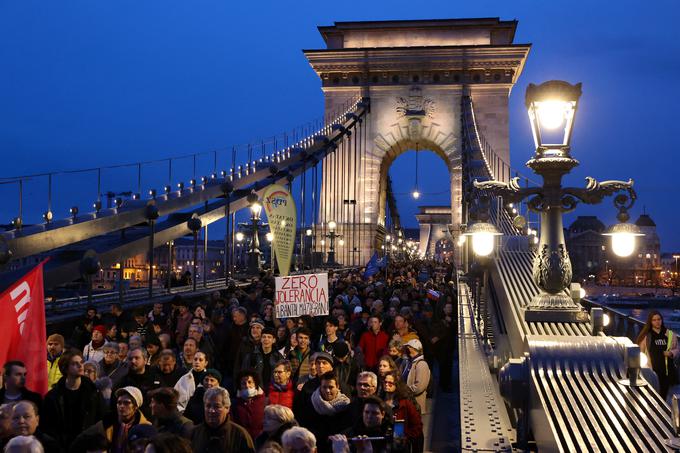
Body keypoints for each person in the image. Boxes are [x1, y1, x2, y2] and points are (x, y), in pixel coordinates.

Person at [41, 350, 106, 449]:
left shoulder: (93, 393)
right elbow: (48, 426)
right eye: (75, 363)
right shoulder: (53, 396)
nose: (80, 366)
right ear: (65, 368)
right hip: (62, 447)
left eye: (81, 362)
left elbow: (100, 420)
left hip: (87, 446)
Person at [72, 386, 151, 453]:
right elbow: (81, 439)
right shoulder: (108, 422)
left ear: (136, 407)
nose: (121, 406)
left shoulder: (145, 427)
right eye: (119, 403)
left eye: (126, 403)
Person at [190, 386, 255, 453]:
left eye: (217, 406)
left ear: (227, 408)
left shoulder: (240, 435)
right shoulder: (194, 434)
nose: (211, 411)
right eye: (208, 406)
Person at [305, 372, 352, 453]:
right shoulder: (312, 402)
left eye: (331, 387)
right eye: (324, 387)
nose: (327, 390)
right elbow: (307, 426)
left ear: (337, 387)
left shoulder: (346, 405)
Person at [637, 310, 680, 398]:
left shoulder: (670, 334)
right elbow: (640, 351)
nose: (657, 322)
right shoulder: (647, 336)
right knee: (652, 394)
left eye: (659, 319)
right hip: (652, 370)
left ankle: (662, 410)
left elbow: (677, 349)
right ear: (650, 321)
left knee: (663, 395)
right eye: (654, 320)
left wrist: (671, 353)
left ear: (662, 320)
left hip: (667, 371)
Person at [381, 372, 423, 452]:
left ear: (396, 385)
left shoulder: (405, 403)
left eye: (390, 383)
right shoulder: (380, 401)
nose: (386, 384)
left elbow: (417, 425)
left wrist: (406, 436)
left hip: (400, 447)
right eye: (385, 382)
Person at [116, 348, 161, 419]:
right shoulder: (123, 382)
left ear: (145, 360)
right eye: (130, 359)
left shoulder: (156, 379)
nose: (133, 361)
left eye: (137, 358)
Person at [242, 327, 283, 394]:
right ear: (261, 339)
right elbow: (244, 375)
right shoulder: (251, 356)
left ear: (274, 340)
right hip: (255, 392)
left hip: (274, 392)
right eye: (264, 337)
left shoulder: (278, 357)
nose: (266, 339)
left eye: (269, 337)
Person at [232, 370, 265, 440]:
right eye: (243, 383)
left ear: (255, 384)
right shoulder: (235, 403)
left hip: (260, 440)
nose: (247, 385)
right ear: (239, 386)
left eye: (250, 382)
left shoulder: (264, 401)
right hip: (241, 440)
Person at [401, 339, 430, 414]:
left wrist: (404, 391)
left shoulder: (421, 364)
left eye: (408, 347)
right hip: (408, 404)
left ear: (413, 349)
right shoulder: (409, 362)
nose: (406, 350)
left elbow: (419, 387)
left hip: (416, 406)